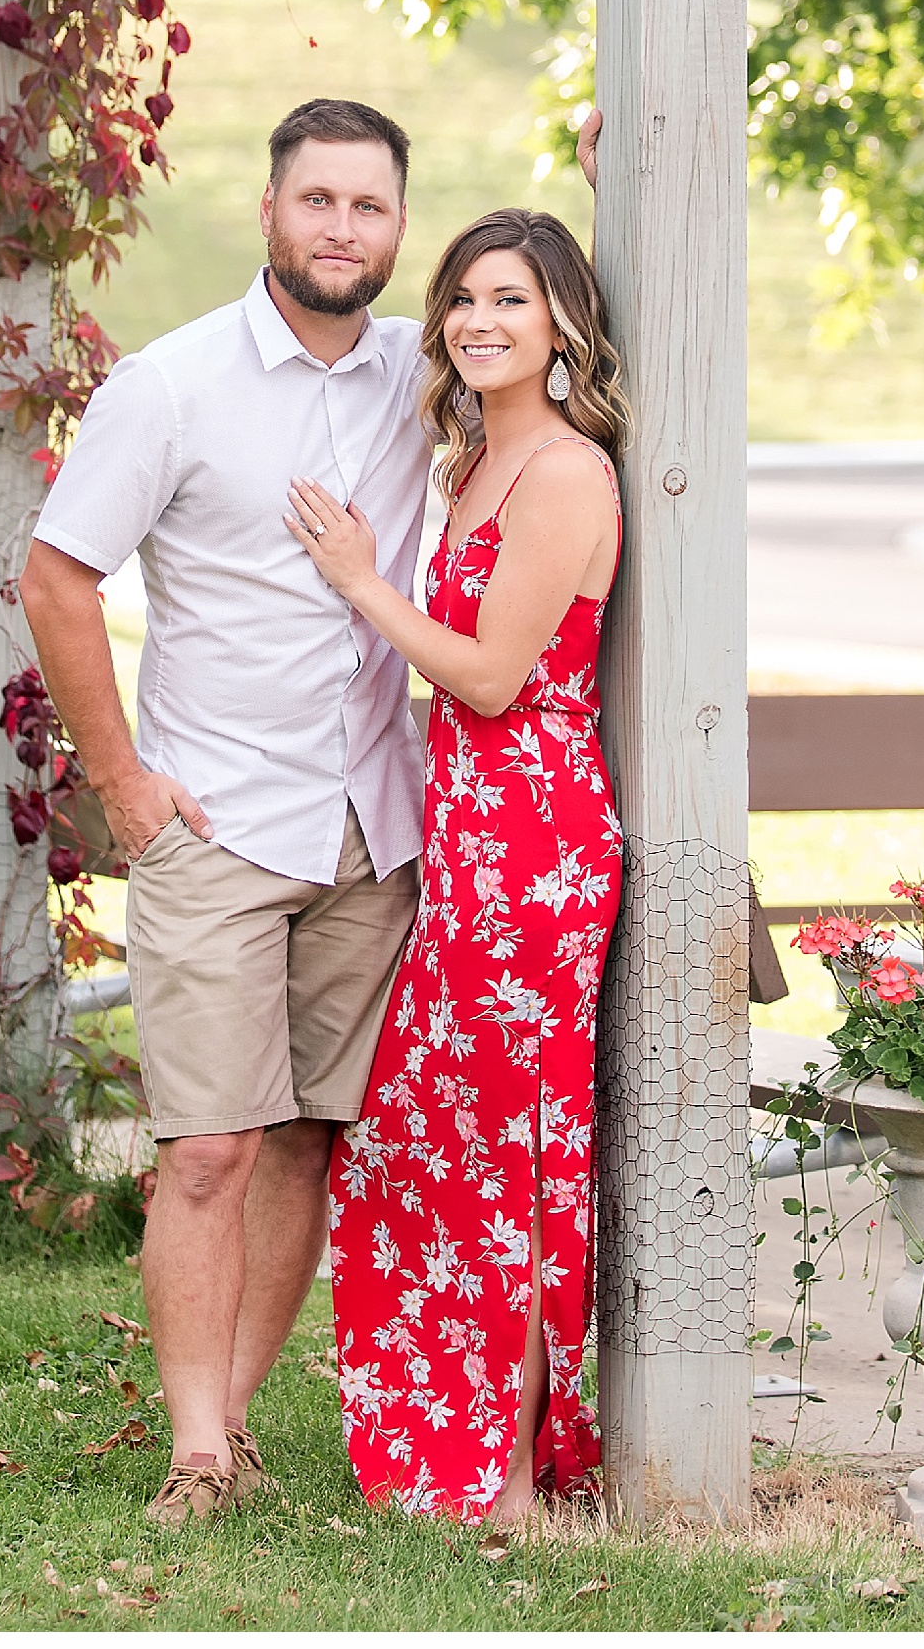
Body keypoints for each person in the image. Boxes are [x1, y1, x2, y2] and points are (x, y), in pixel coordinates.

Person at [17, 98, 431, 1529]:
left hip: (373, 828)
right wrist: (123, 783)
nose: (341, 230)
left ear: (397, 228)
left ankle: (233, 1426)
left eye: (368, 208)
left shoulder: (417, 376)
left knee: (308, 1135)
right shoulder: (173, 384)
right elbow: (56, 576)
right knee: (208, 1147)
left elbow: (549, 323)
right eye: (317, 201)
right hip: (220, 821)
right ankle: (193, 1454)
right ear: (268, 210)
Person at [285, 205, 627, 1526]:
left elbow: (489, 677)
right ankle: (452, 1437)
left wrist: (362, 584)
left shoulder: (564, 476)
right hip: (471, 829)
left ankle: (517, 1474)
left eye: (514, 302)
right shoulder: (478, 454)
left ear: (561, 327)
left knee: (514, 1152)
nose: (481, 322)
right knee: (422, 1139)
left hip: (535, 839)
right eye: (466, 300)